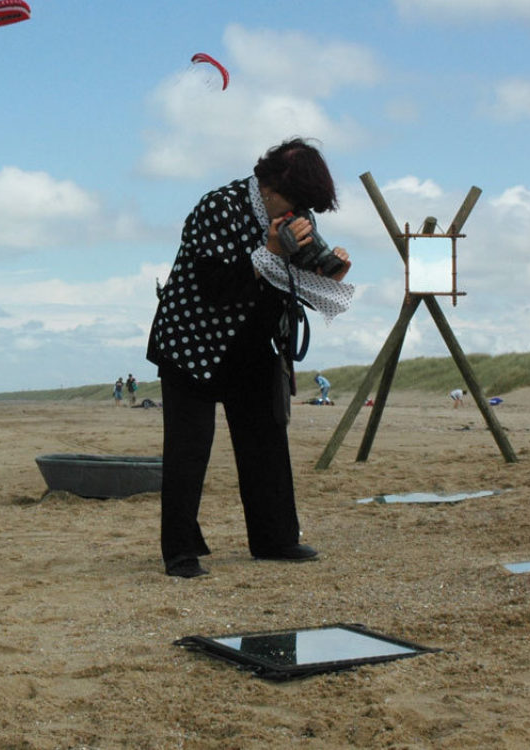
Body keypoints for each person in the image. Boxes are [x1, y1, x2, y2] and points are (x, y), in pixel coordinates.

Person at [146, 138, 355, 578]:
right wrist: (270, 252)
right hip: (192, 342)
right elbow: (215, 288)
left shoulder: (296, 217)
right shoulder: (219, 206)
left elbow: (304, 281)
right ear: (269, 185)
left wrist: (330, 268)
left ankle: (276, 539)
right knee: (188, 450)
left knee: (266, 442)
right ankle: (180, 552)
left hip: (253, 343)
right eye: (296, 200)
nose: (299, 211)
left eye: (306, 205)